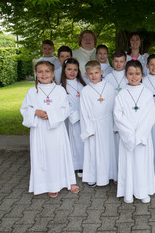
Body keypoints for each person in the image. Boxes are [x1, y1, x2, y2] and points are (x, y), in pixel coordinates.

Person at [20, 61, 79, 198]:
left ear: (53, 74)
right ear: (36, 74)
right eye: (40, 72)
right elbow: (25, 109)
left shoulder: (60, 90)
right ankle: (48, 184)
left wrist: (51, 115)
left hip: (56, 129)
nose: (43, 74)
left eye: (47, 71)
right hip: (40, 130)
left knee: (59, 155)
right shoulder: (32, 91)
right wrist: (35, 112)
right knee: (44, 156)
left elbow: (66, 109)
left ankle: (67, 181)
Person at [114, 60, 155, 203]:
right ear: (126, 75)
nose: (134, 77)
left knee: (142, 163)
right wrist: (129, 134)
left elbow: (150, 116)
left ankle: (142, 191)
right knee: (128, 163)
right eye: (131, 74)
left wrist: (139, 135)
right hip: (127, 137)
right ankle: (128, 191)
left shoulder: (147, 93)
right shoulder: (121, 94)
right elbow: (118, 115)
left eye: (137, 73)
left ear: (142, 74)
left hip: (142, 137)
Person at [80, 60, 117, 187]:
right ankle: (93, 176)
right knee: (93, 151)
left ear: (101, 72)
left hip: (107, 123)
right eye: (90, 73)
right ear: (86, 74)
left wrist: (115, 125)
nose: (94, 76)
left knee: (109, 150)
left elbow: (115, 107)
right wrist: (88, 129)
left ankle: (111, 174)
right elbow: (84, 112)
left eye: (96, 72)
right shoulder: (85, 91)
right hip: (94, 124)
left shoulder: (109, 87)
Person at [60, 58, 86, 178]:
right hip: (73, 119)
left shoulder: (82, 84)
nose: (72, 72)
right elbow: (64, 105)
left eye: (75, 69)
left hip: (84, 118)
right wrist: (76, 115)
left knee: (84, 142)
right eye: (69, 69)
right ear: (64, 70)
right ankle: (77, 165)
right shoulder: (61, 87)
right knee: (75, 142)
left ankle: (86, 164)